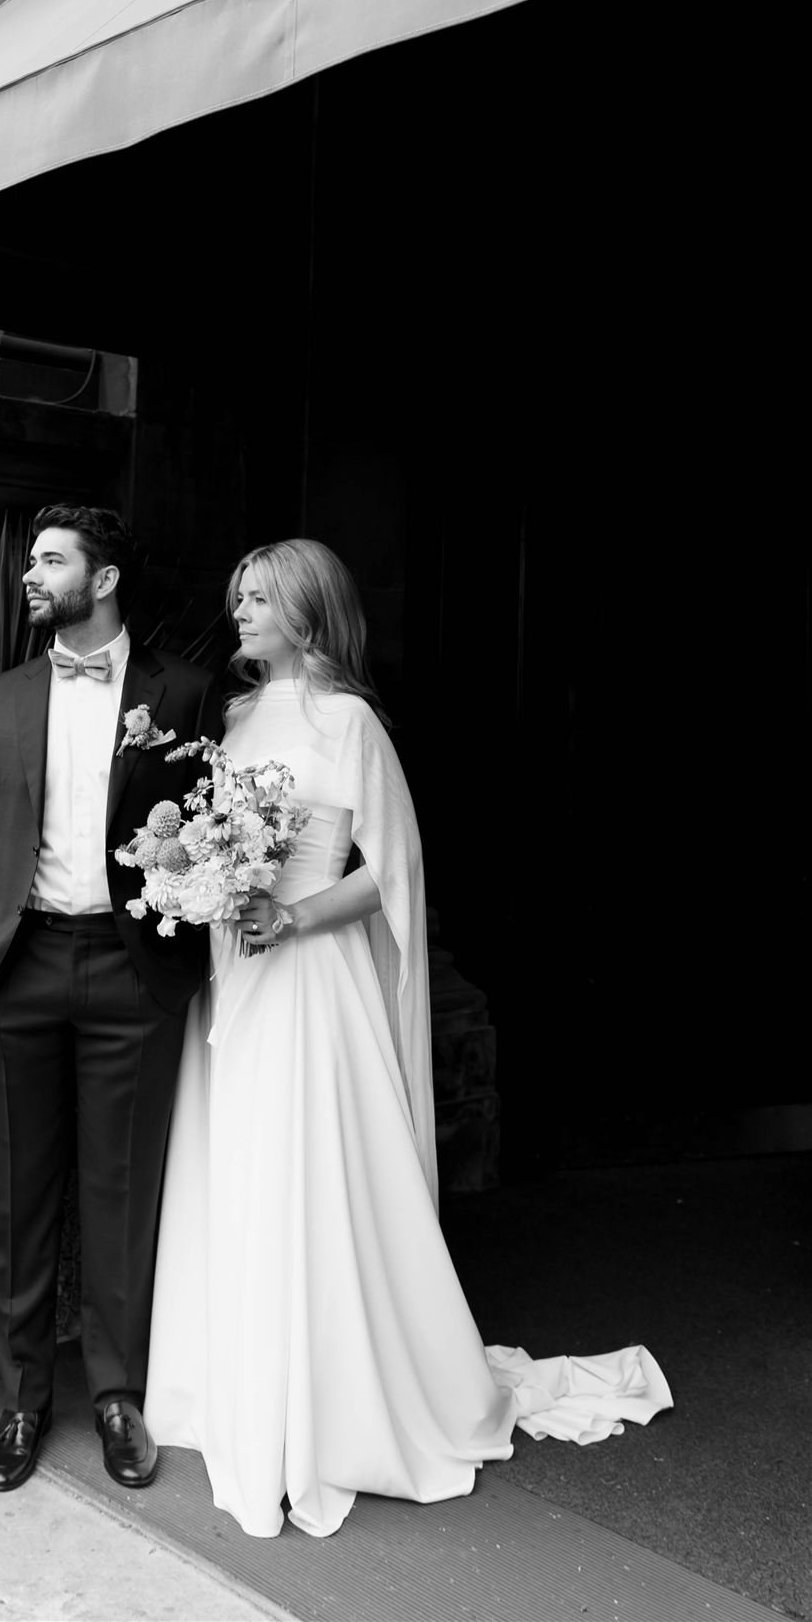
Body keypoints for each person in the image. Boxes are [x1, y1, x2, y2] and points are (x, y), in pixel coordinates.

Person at [144, 537, 671, 1539]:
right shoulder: (233, 717)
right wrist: (196, 878)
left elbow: (392, 870)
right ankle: (247, 1383)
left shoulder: (349, 722)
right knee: (244, 1171)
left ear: (307, 610)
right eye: (237, 596)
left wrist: (292, 916)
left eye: (259, 597)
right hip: (237, 982)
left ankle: (333, 1400)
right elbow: (211, 843)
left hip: (311, 978)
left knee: (312, 1174)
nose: (240, 609)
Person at [0, 504, 223, 1494]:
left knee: (119, 1191)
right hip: (16, 969)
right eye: (30, 558)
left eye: (51, 560)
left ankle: (116, 1392)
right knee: (19, 1196)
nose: (32, 573)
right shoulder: (4, 693)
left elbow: (214, 828)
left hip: (128, 972)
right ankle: (21, 1400)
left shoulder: (182, 691)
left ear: (101, 580)